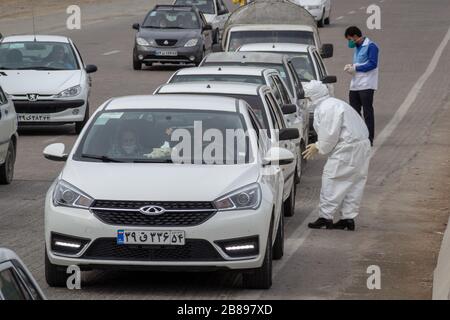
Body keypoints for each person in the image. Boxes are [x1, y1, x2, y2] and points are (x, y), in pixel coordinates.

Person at [302, 80, 372, 231]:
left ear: (313, 97)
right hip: (361, 145)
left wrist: (318, 146)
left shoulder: (327, 108)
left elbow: (329, 134)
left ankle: (325, 218)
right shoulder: (334, 103)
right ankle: (348, 219)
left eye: (307, 98)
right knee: (354, 182)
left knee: (332, 178)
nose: (306, 101)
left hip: (348, 148)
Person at [344, 26, 379, 146]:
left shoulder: (371, 46)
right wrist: (351, 68)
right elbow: (358, 63)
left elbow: (372, 64)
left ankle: (369, 138)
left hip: (367, 84)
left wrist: (356, 68)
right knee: (354, 112)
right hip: (355, 85)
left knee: (367, 112)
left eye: (349, 39)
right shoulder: (357, 47)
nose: (349, 42)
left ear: (355, 36)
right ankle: (358, 136)